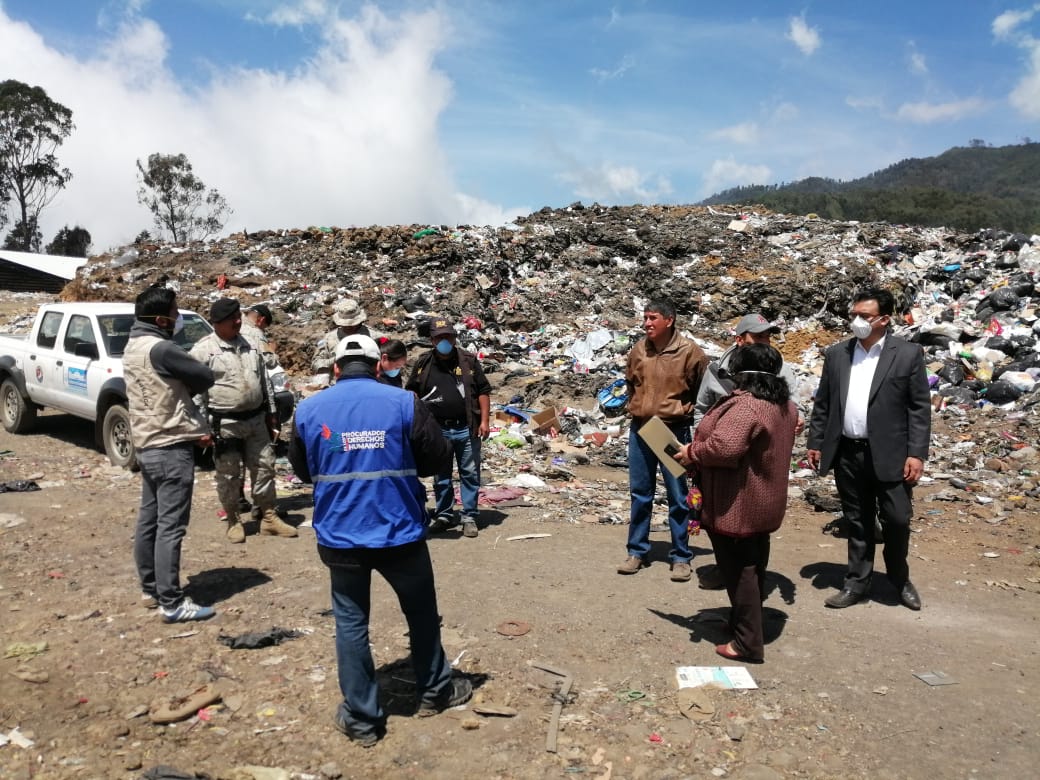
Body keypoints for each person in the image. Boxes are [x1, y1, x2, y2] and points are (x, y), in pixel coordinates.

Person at [288, 334, 472, 746]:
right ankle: (435, 692)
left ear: (336, 369)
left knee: (351, 624)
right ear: (377, 366)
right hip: (399, 532)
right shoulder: (404, 404)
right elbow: (439, 457)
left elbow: (302, 471)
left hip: (340, 537)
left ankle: (363, 720)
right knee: (422, 614)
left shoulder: (309, 409)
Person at [807, 287, 931, 611]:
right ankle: (856, 583)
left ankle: (899, 579)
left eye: (865, 316)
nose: (857, 321)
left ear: (884, 319)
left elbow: (919, 408)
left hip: (892, 454)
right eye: (854, 315)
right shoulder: (838, 355)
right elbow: (824, 403)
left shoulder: (906, 354)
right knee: (858, 521)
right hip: (849, 452)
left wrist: (916, 453)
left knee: (898, 520)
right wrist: (816, 442)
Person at [675, 344, 798, 662]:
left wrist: (692, 453)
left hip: (738, 504)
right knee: (754, 566)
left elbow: (725, 447)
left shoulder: (748, 407)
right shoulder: (784, 405)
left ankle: (747, 643)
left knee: (739, 570)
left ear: (741, 374)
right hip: (765, 501)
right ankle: (745, 625)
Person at [124, 285, 216, 623]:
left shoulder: (132, 346)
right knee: (170, 527)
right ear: (161, 319)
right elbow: (205, 376)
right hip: (170, 446)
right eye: (176, 313)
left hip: (147, 444)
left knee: (149, 520)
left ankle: (150, 589)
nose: (178, 318)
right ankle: (172, 603)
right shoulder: (162, 349)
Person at [694, 312, 803, 590]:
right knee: (721, 517)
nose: (766, 342)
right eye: (759, 336)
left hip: (756, 461)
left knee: (753, 521)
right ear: (740, 339)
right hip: (719, 459)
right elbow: (702, 408)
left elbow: (788, 410)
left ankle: (752, 581)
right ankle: (728, 572)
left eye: (768, 336)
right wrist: (703, 437)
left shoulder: (778, 368)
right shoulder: (717, 370)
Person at [190, 298, 298, 543]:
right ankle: (233, 519)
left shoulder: (251, 345)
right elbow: (194, 393)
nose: (238, 322)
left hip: (256, 420)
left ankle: (268, 517)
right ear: (217, 323)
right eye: (232, 320)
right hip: (224, 424)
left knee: (265, 468)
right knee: (228, 475)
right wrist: (200, 428)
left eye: (239, 317)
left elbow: (265, 382)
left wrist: (272, 415)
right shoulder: (202, 350)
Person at [618, 299, 709, 581]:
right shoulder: (639, 350)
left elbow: (701, 389)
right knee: (640, 493)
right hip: (642, 429)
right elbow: (631, 382)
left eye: (652, 318)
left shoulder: (689, 352)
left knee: (678, 495)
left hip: (673, 430)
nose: (647, 323)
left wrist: (684, 415)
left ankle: (681, 556)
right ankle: (636, 551)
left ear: (669, 320)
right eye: (645, 318)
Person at [405, 317, 491, 539]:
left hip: (467, 427)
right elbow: (412, 391)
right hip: (437, 430)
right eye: (439, 337)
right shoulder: (423, 363)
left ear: (454, 337)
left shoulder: (469, 361)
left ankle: (469, 516)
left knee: (470, 473)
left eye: (448, 336)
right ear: (432, 340)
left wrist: (484, 421)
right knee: (440, 475)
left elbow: (483, 391)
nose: (445, 340)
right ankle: (444, 515)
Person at [311, 298, 373, 378]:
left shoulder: (375, 337)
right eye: (346, 325)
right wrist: (338, 359)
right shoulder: (329, 339)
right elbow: (316, 364)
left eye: (354, 324)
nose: (350, 327)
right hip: (338, 384)